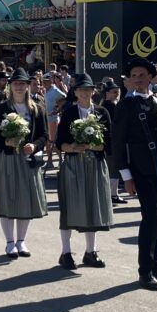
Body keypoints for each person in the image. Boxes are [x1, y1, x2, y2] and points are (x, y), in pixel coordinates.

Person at [110, 59, 157, 291]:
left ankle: (155, 265)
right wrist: (126, 176)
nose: (138, 79)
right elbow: (118, 142)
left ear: (151, 77)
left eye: (142, 75)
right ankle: (144, 270)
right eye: (134, 75)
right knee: (151, 216)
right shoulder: (125, 105)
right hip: (142, 169)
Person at [54, 73, 113, 269]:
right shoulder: (70, 113)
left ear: (93, 91)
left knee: (92, 207)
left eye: (88, 89)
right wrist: (72, 147)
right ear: (76, 92)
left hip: (95, 164)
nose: (85, 93)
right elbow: (59, 143)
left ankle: (90, 252)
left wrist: (94, 146)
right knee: (70, 208)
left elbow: (109, 143)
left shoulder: (102, 112)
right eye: (81, 90)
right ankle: (66, 252)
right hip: (74, 164)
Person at [0, 68, 48, 258]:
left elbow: (44, 135)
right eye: (15, 83)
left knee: (26, 200)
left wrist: (35, 145)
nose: (19, 87)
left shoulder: (37, 108)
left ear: (27, 86)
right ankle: (9, 242)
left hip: (28, 160)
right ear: (10, 86)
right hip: (8, 158)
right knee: (9, 199)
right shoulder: (2, 108)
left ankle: (21, 241)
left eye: (22, 83)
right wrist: (5, 143)